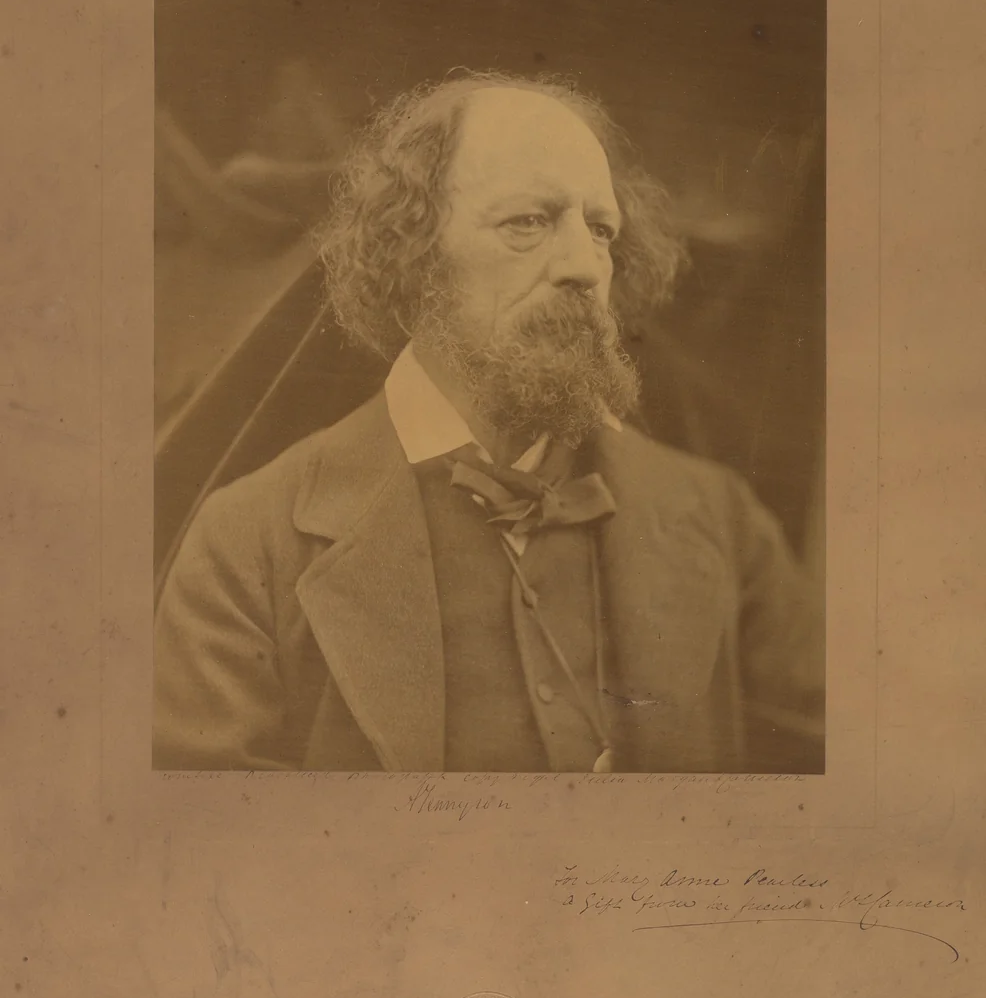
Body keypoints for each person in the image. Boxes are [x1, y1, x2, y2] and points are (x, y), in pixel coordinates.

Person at [153, 69, 824, 774]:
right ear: (413, 253)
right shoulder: (249, 546)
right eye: (527, 223)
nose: (584, 268)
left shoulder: (721, 522)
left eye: (600, 230)